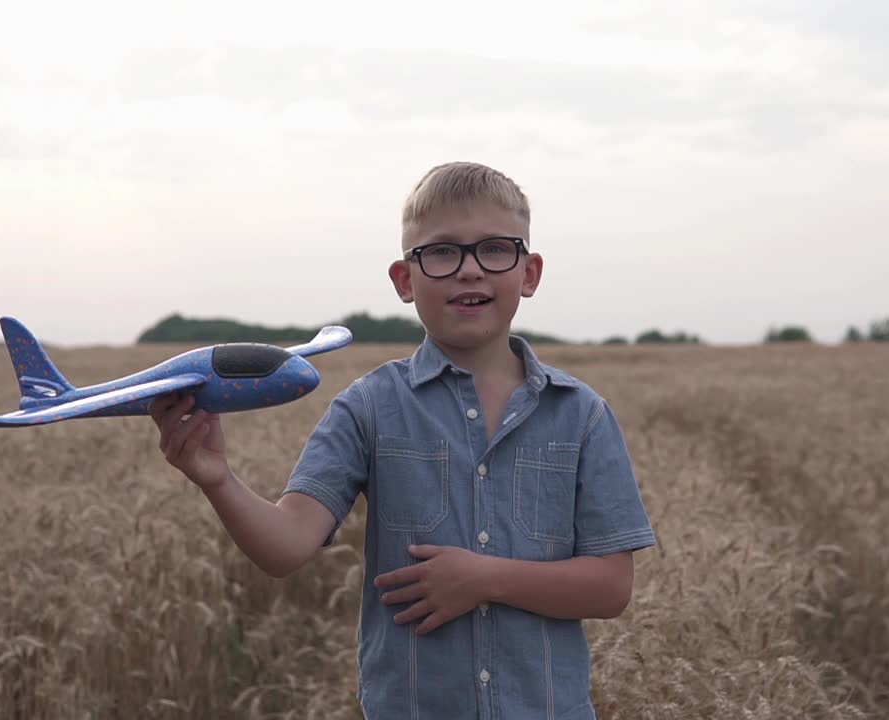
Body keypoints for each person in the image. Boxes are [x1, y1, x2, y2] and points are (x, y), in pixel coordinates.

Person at [150, 161, 657, 719]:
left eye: (494, 249)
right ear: (404, 279)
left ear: (529, 272)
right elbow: (286, 546)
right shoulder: (369, 407)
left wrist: (484, 578)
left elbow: (611, 587)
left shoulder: (581, 416)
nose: (469, 271)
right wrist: (218, 479)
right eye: (441, 252)